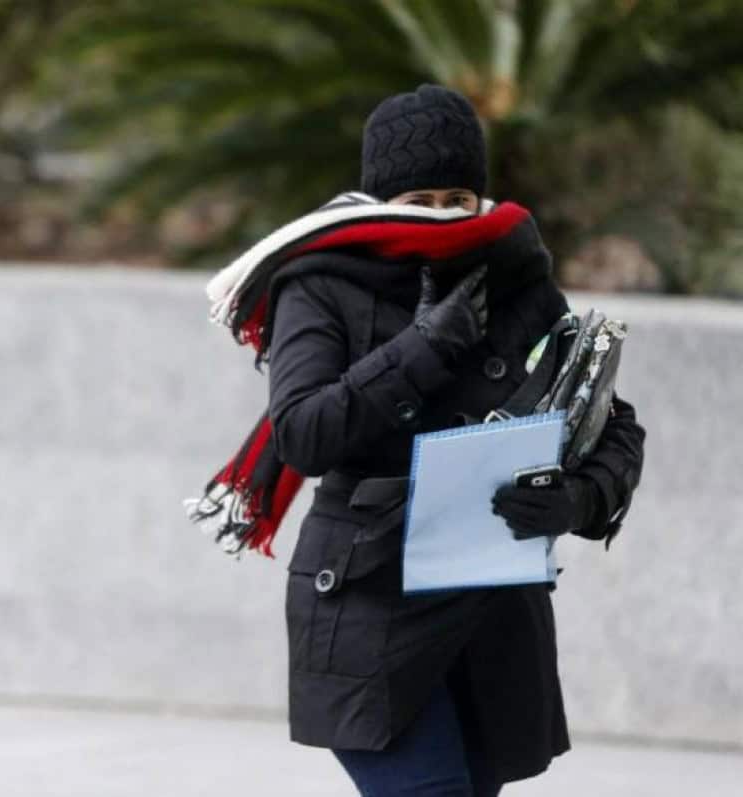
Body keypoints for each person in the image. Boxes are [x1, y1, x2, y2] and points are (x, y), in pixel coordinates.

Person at [217, 85, 645, 795]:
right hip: (368, 603)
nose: (443, 217)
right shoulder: (320, 284)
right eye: (421, 201)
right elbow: (302, 433)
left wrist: (576, 500)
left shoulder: (516, 280)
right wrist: (422, 348)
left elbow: (611, 419)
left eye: (458, 198)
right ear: (383, 198)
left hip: (489, 612)